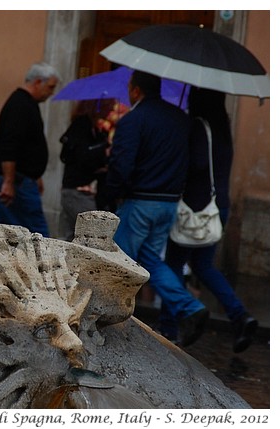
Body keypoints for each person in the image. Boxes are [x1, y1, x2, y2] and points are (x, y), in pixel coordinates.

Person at [104, 70, 209, 347]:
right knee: (151, 259)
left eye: (129, 87)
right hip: (169, 202)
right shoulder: (181, 120)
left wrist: (111, 194)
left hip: (140, 201)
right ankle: (190, 307)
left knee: (119, 259)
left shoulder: (133, 120)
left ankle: (109, 318)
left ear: (136, 90)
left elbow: (122, 164)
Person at [160, 87, 258, 352]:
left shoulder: (198, 127)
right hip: (217, 208)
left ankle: (170, 326)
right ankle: (240, 316)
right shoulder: (222, 128)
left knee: (172, 264)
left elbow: (198, 164)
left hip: (195, 209)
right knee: (204, 266)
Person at [0, 62, 61, 237]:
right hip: (17, 181)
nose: (51, 93)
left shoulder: (26, 104)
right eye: (50, 87)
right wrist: (9, 181)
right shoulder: (20, 105)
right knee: (38, 233)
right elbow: (9, 145)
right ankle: (46, 263)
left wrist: (36, 176)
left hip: (19, 178)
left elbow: (28, 145)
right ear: (38, 82)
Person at [58, 100, 110, 241]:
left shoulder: (95, 129)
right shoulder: (81, 125)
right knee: (92, 236)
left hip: (79, 190)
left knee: (72, 237)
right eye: (108, 105)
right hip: (77, 190)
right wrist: (103, 147)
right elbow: (82, 155)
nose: (111, 109)